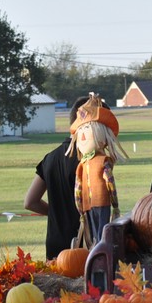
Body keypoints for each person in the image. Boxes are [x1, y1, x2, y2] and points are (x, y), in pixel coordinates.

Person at [24, 96, 92, 259]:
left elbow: (30, 202)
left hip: (55, 244)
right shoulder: (88, 160)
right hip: (83, 245)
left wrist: (57, 213)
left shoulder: (50, 158)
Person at [67, 93, 128, 246]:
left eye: (87, 129)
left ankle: (101, 257)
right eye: (81, 130)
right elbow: (78, 188)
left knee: (101, 234)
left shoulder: (103, 161)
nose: (82, 137)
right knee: (91, 236)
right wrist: (79, 208)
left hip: (101, 201)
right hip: (87, 205)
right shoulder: (82, 164)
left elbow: (110, 183)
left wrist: (115, 205)